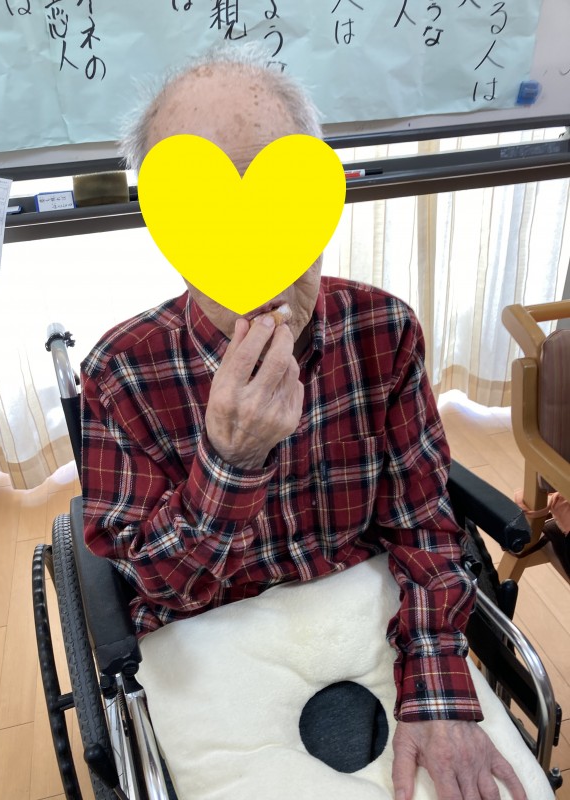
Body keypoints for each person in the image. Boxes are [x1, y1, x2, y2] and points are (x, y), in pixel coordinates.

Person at [81, 49, 526, 800]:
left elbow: (424, 526)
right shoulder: (121, 372)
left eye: (280, 193)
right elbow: (154, 585)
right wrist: (229, 462)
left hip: (364, 612)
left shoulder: (382, 330)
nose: (256, 240)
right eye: (214, 208)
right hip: (211, 635)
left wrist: (438, 692)